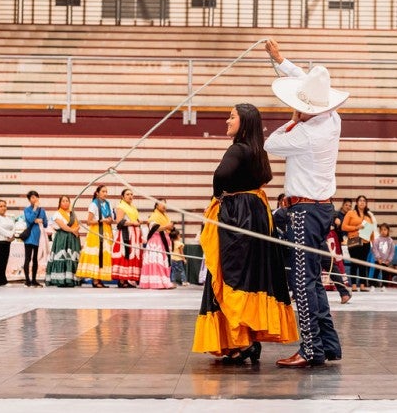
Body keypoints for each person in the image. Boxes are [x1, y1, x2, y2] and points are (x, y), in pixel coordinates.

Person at [264, 38, 348, 368]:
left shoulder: (306, 134)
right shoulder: (332, 118)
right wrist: (281, 60)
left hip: (304, 211)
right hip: (320, 207)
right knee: (311, 280)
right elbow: (305, 81)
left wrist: (294, 120)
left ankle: (311, 349)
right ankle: (327, 344)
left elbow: (271, 144)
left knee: (302, 281)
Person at [192, 103, 298, 364]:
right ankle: (246, 339)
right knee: (251, 276)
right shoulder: (257, 151)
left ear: (245, 122)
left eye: (232, 117)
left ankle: (241, 342)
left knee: (229, 276)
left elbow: (221, 174)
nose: (227, 121)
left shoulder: (238, 149)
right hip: (256, 214)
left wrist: (218, 197)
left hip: (237, 215)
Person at [76, 185, 114, 288]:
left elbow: (111, 218)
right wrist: (101, 220)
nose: (105, 194)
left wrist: (110, 220)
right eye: (103, 191)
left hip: (106, 230)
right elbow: (88, 222)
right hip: (96, 231)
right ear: (97, 193)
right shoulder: (93, 204)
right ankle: (95, 279)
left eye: (106, 191)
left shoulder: (108, 204)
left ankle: (99, 278)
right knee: (97, 254)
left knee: (104, 254)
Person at [45, 195, 82, 287]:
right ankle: (60, 280)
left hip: (73, 238)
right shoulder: (57, 214)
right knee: (62, 256)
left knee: (72, 257)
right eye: (63, 201)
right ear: (60, 203)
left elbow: (78, 224)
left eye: (67, 201)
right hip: (62, 238)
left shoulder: (72, 213)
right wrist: (73, 230)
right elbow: (63, 226)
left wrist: (76, 230)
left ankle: (71, 279)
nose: (65, 203)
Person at [341, 195, 376, 292]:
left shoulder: (368, 215)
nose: (362, 202)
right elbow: (343, 227)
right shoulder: (351, 213)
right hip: (354, 240)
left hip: (366, 242)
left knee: (363, 264)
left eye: (364, 201)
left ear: (366, 203)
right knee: (354, 263)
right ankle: (353, 285)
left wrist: (373, 242)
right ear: (356, 202)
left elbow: (372, 230)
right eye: (360, 200)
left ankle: (362, 285)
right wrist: (356, 227)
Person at [139, 199, 175, 290]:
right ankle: (157, 283)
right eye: (162, 203)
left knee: (163, 262)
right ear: (156, 205)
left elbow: (167, 228)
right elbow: (154, 228)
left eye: (165, 204)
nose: (164, 205)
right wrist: (166, 227)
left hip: (165, 241)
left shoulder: (166, 217)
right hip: (156, 242)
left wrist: (169, 227)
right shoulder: (153, 216)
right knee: (157, 262)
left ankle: (164, 281)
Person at [111, 189, 142, 288]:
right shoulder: (121, 207)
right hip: (125, 234)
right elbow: (119, 222)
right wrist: (133, 223)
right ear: (122, 196)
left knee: (132, 255)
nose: (130, 196)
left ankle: (129, 279)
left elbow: (134, 219)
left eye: (131, 194)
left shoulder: (133, 207)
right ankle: (122, 280)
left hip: (134, 234)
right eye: (127, 194)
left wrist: (138, 222)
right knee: (125, 254)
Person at [22, 190, 47, 287]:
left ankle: (34, 280)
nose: (35, 199)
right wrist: (35, 208)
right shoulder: (27, 210)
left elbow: (45, 224)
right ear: (29, 200)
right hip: (29, 238)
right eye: (32, 197)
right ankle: (27, 280)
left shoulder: (42, 210)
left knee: (36, 259)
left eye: (36, 197)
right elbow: (30, 219)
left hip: (39, 238)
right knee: (27, 259)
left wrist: (41, 220)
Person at [370, 223, 395, 290]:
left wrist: (389, 260)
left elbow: (392, 251)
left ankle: (384, 286)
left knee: (385, 273)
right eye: (381, 230)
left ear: (388, 231)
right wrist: (378, 258)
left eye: (385, 230)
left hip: (386, 261)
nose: (383, 231)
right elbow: (375, 249)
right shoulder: (377, 240)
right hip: (378, 260)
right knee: (376, 272)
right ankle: (373, 285)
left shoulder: (390, 241)